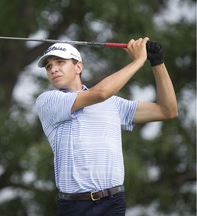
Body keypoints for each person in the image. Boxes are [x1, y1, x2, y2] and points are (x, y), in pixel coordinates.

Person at [35, 37, 178, 216]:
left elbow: (167, 110)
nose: (53, 69)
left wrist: (157, 62)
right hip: (74, 206)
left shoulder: (114, 104)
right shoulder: (48, 101)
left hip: (113, 203)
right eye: (48, 66)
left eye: (60, 62)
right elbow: (100, 93)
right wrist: (139, 61)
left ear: (78, 66)